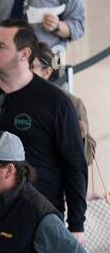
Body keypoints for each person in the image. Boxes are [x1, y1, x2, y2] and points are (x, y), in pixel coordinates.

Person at [0, 20, 89, 243]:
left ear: (24, 54)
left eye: (1, 47)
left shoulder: (55, 103)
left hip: (37, 219)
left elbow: (74, 165)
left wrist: (77, 224)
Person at [31, 42, 97, 179]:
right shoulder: (12, 99)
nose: (24, 71)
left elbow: (89, 156)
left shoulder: (72, 103)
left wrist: (80, 137)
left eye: (31, 67)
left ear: (47, 72)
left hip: (57, 186)